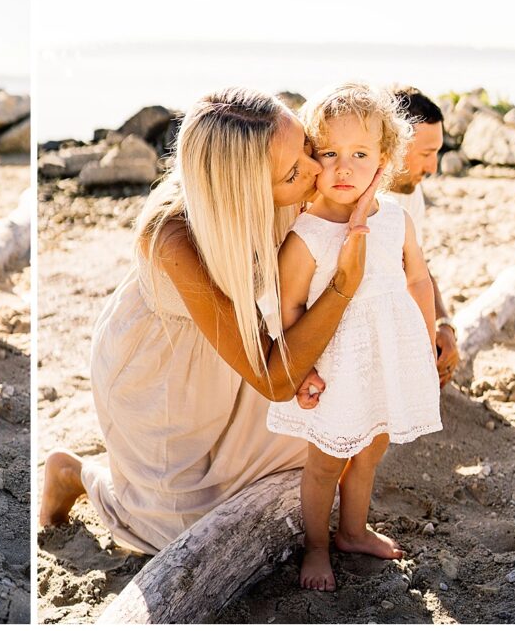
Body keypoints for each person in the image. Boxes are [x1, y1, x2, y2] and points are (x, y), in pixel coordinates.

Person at [40, 87, 380, 555]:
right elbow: (274, 379)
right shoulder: (173, 235)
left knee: (331, 441)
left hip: (245, 349)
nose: (317, 168)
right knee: (180, 533)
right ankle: (75, 473)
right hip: (165, 376)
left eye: (306, 145)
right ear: (245, 190)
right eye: (294, 171)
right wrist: (345, 285)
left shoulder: (294, 185)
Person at [267, 82, 442, 591]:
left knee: (372, 447)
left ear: (385, 159)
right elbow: (288, 306)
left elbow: (417, 279)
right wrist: (303, 366)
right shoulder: (308, 233)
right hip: (333, 367)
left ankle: (353, 529)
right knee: (326, 462)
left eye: (360, 154)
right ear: (312, 157)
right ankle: (316, 547)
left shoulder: (396, 218)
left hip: (387, 355)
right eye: (330, 153)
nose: (344, 168)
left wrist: (424, 344)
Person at [385, 85, 459, 386]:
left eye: (438, 153)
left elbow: (418, 266)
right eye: (427, 154)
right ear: (394, 145)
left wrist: (443, 324)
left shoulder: (411, 193)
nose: (433, 167)